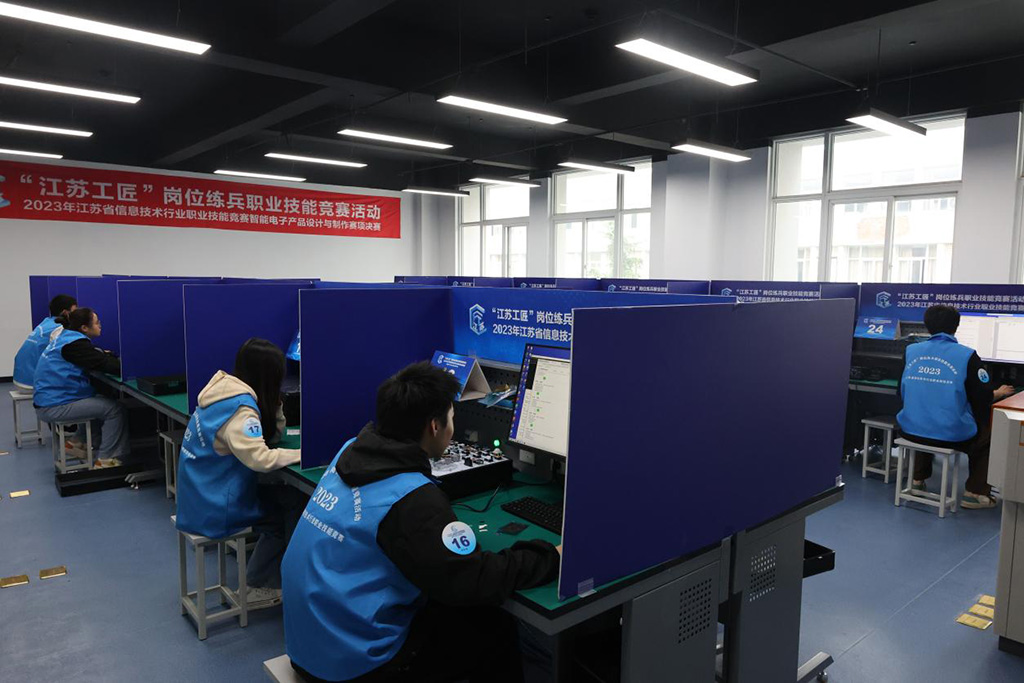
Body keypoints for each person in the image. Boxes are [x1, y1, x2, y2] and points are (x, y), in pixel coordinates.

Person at [281, 362, 561, 683]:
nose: (453, 426)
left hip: (309, 643)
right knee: (492, 623)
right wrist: (550, 556)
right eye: (452, 417)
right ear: (434, 426)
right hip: (354, 664)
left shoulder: (351, 452)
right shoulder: (411, 499)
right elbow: (474, 579)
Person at [175, 338, 304, 610]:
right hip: (215, 506)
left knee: (281, 497)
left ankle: (264, 579)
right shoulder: (242, 411)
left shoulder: (223, 393)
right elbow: (260, 458)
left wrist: (275, 404)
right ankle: (279, 583)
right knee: (292, 506)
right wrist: (303, 454)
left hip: (199, 493)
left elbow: (270, 437)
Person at [897, 304, 1015, 509]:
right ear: (956, 326)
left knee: (925, 420)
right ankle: (975, 493)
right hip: (950, 434)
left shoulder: (911, 351)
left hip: (910, 429)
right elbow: (982, 397)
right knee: (988, 437)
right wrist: (998, 393)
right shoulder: (967, 356)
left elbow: (901, 390)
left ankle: (917, 480)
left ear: (927, 325)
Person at [33, 308, 129, 467]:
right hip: (54, 405)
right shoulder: (75, 345)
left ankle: (77, 442)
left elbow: (95, 357)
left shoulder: (66, 338)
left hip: (49, 400)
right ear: (84, 328)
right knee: (115, 410)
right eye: (97, 322)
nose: (100, 325)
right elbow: (106, 364)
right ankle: (107, 460)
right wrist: (133, 364)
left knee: (99, 400)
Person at [13, 294, 77, 393]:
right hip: (31, 384)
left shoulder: (46, 323)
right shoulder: (59, 328)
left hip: (19, 378)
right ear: (65, 313)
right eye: (74, 311)